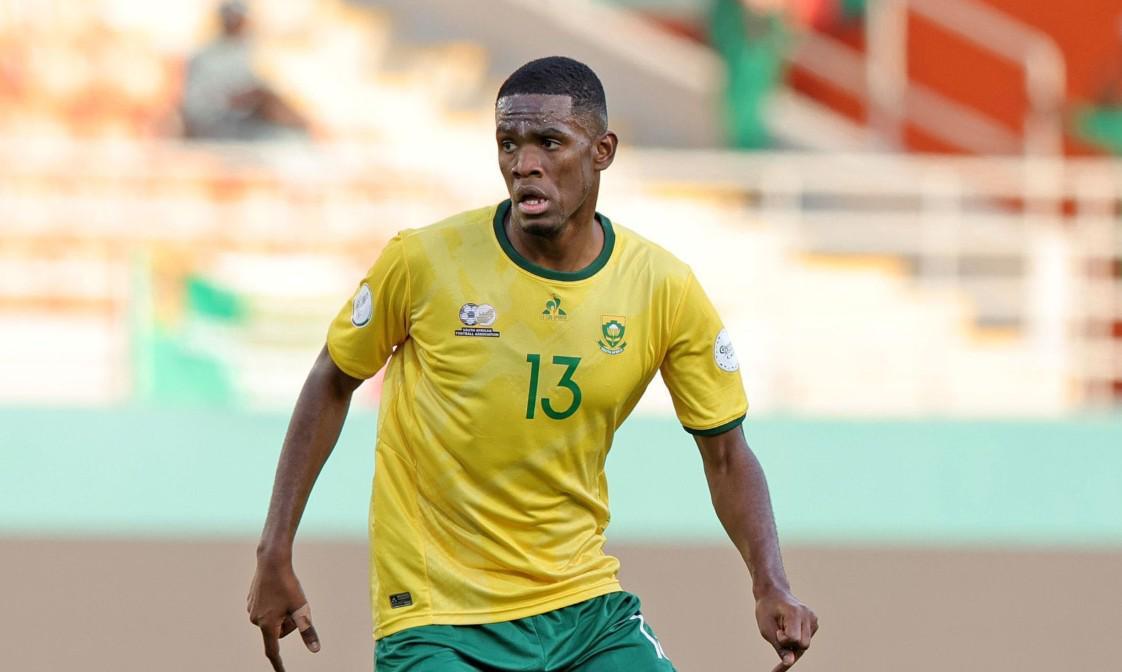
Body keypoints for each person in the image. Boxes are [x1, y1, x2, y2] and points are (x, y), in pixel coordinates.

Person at [246, 56, 818, 672]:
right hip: (438, 620)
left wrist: (770, 583)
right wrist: (274, 550)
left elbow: (727, 453)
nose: (524, 165)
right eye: (508, 144)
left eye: (549, 142)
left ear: (602, 151)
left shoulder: (662, 288)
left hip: (583, 610)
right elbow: (332, 380)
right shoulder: (423, 261)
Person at [180, 1, 306, 141]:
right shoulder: (206, 56)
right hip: (220, 125)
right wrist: (235, 100)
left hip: (250, 120)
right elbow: (196, 104)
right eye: (233, 17)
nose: (237, 22)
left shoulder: (248, 50)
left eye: (240, 18)